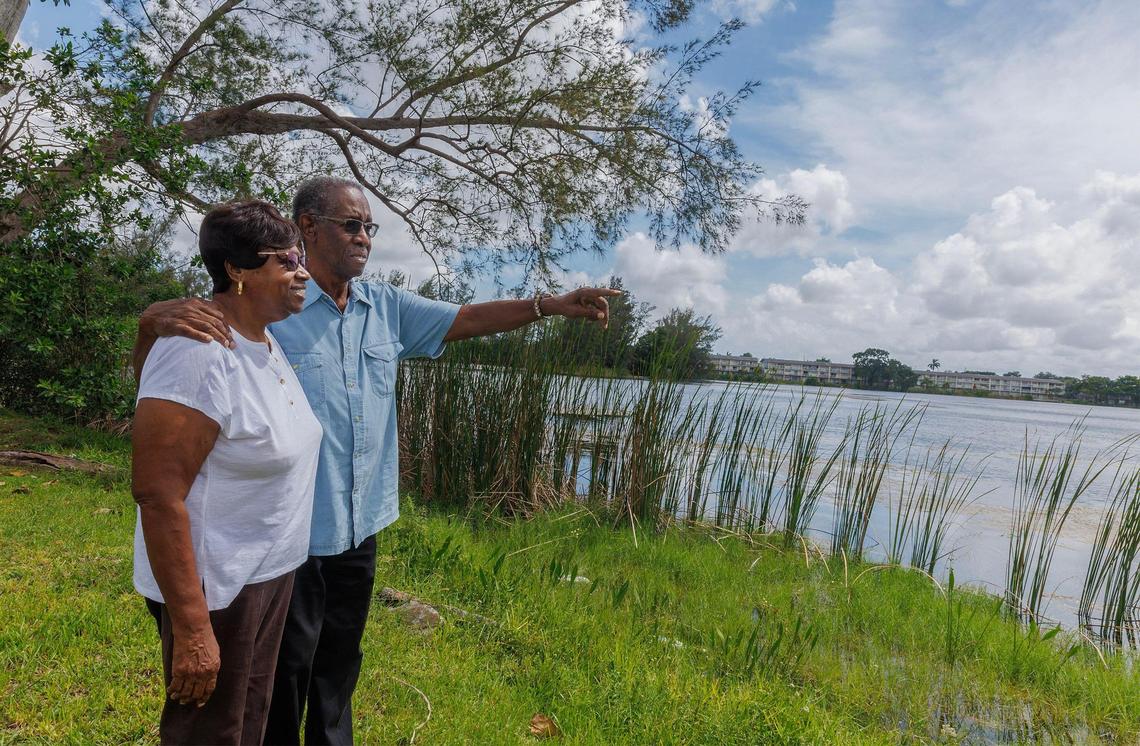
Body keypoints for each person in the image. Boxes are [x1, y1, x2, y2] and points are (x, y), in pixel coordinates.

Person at [134, 176, 620, 745]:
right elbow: (172, 397)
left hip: (358, 523)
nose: (364, 236)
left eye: (370, 227)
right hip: (287, 535)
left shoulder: (382, 306)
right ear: (308, 229)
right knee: (280, 675)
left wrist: (546, 306)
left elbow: (466, 318)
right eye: (351, 225)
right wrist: (150, 321)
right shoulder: (267, 307)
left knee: (338, 664)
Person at [131, 200, 323, 745]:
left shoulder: (263, 339)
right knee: (209, 733)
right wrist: (193, 627)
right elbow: (157, 492)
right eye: (284, 259)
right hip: (218, 585)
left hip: (267, 573)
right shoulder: (198, 350)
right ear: (236, 271)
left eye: (300, 256)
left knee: (245, 725)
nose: (301, 270)